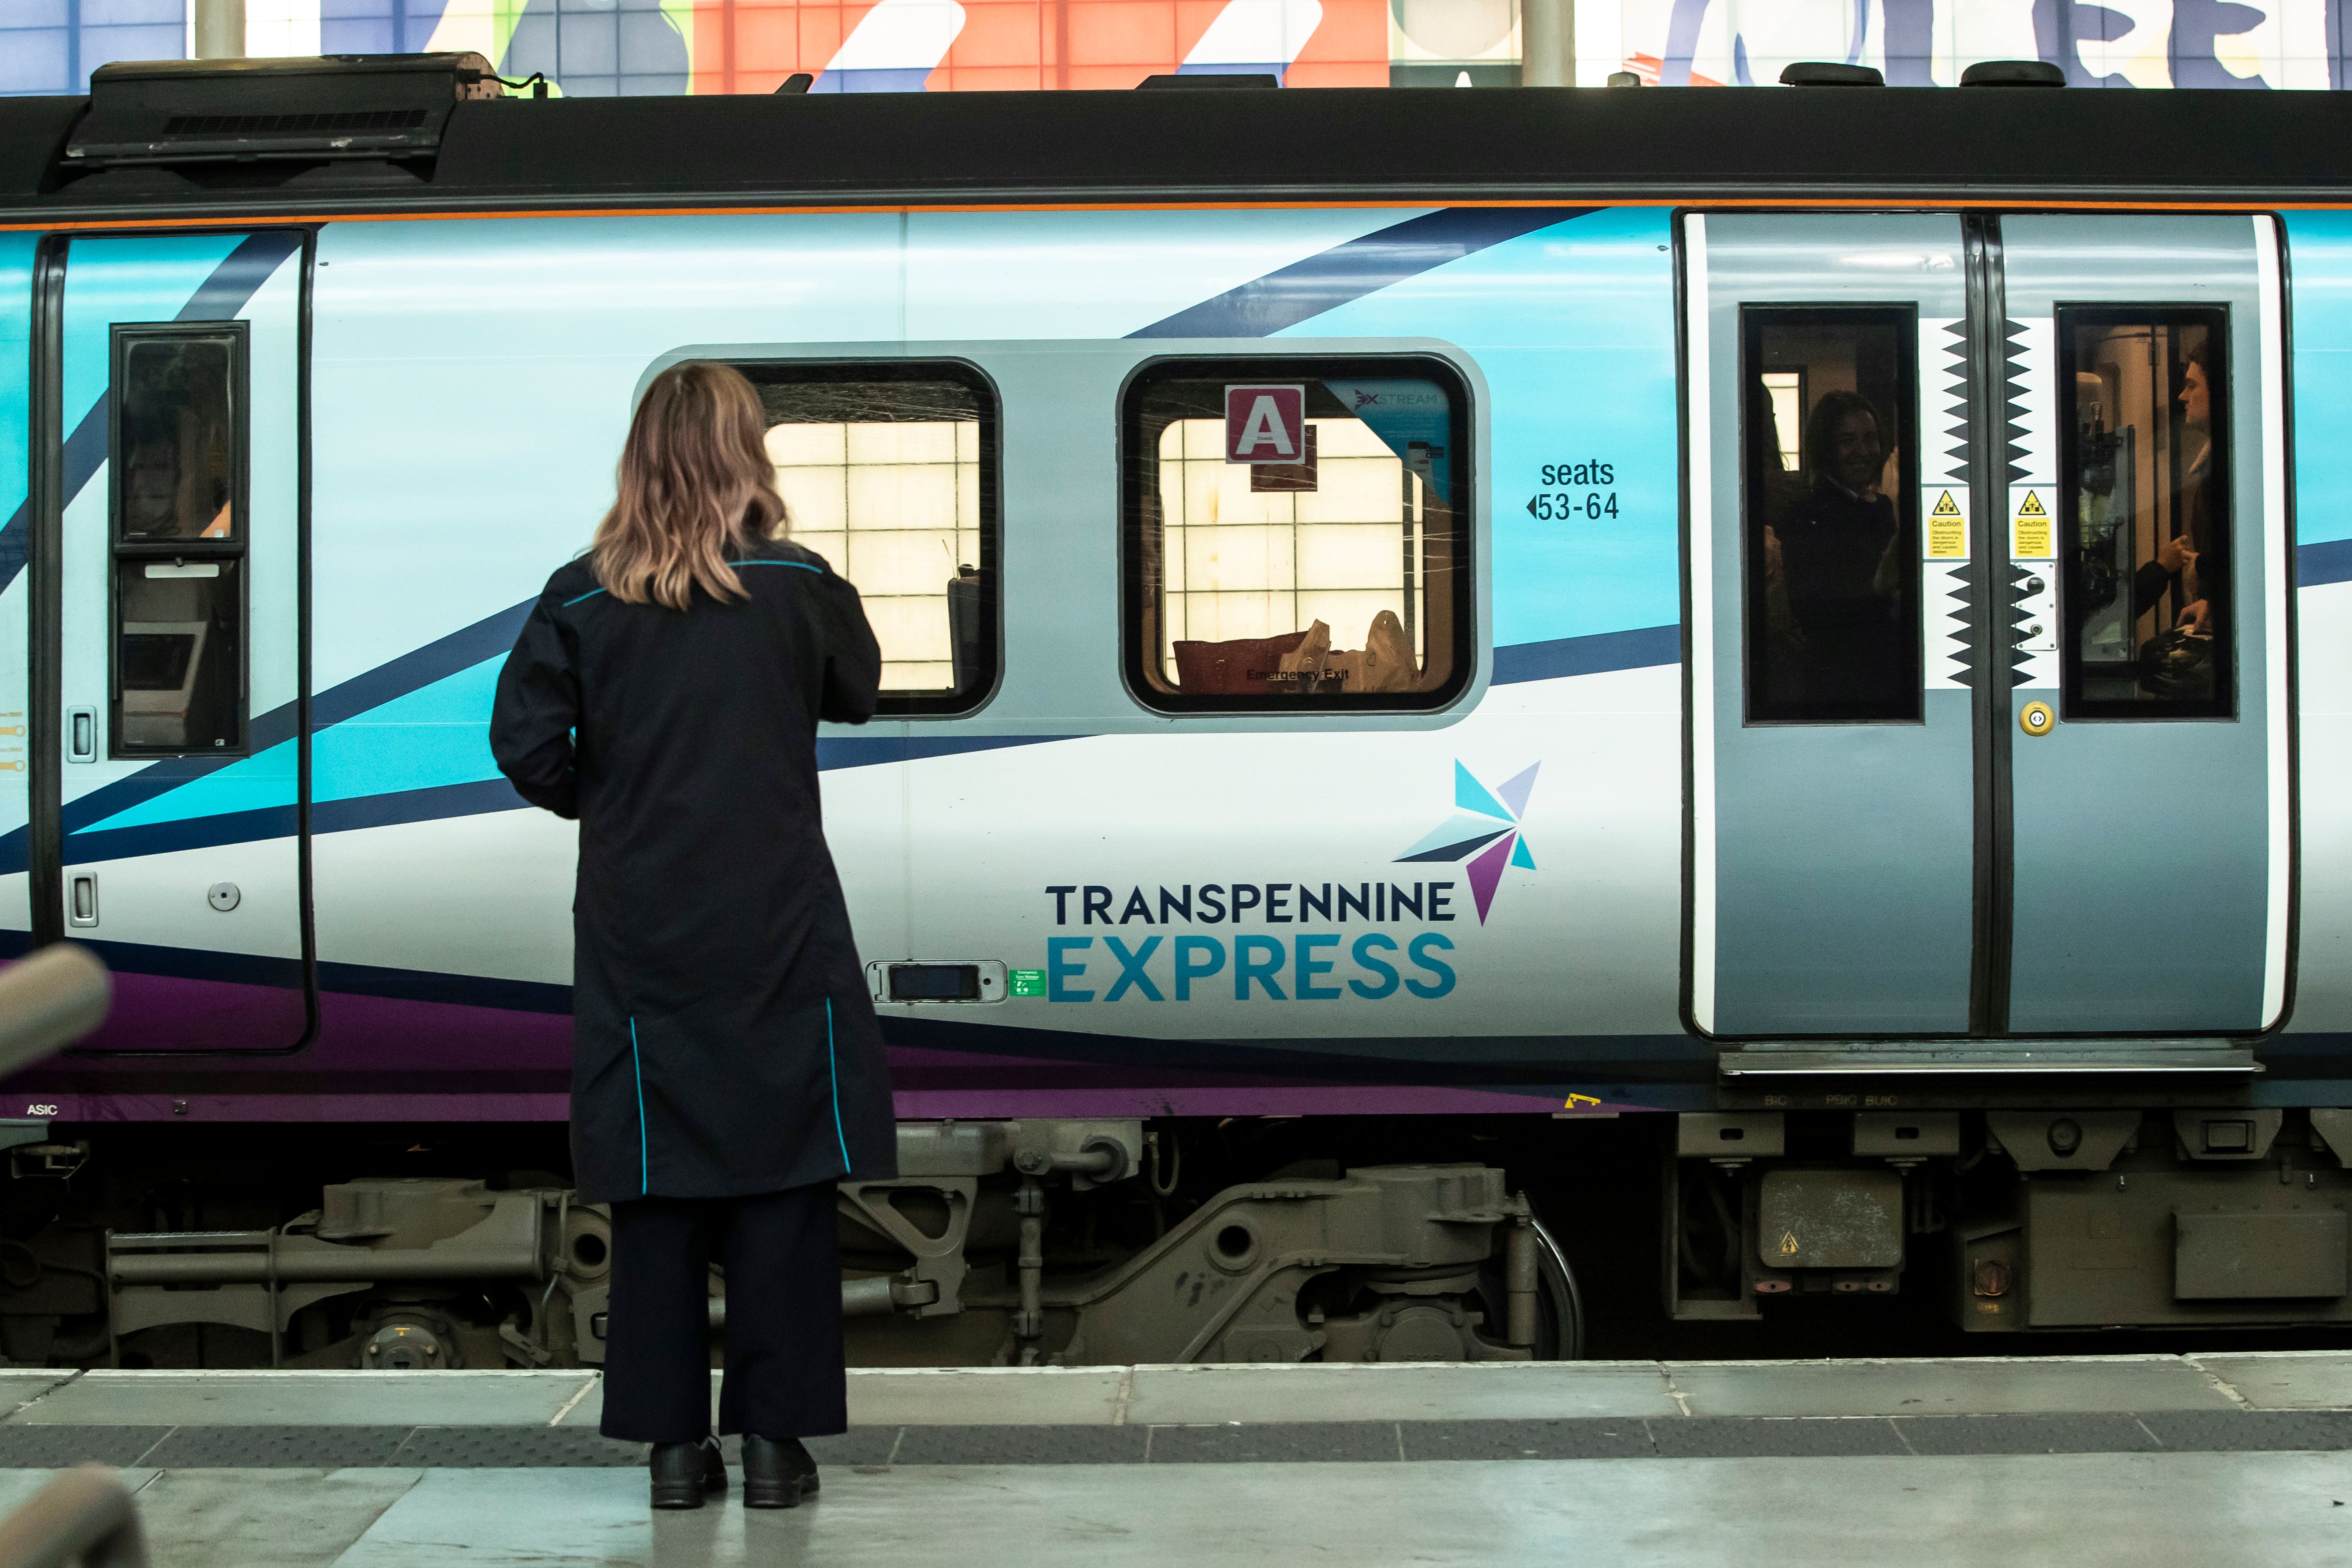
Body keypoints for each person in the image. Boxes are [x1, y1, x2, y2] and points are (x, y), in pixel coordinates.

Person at [489, 360, 897, 1511]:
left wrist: (607, 801)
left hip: (639, 931)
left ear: (639, 457)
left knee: (656, 1192)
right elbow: (857, 690)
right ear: (748, 456)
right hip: (776, 924)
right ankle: (776, 1450)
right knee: (781, 1184)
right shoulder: (797, 585)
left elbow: (523, 745)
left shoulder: (578, 597)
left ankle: (674, 1456)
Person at [1769, 389, 1912, 716]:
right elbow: (1815, 612)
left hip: (1888, 677)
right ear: (1826, 447)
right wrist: (1881, 584)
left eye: (1869, 438)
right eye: (1847, 440)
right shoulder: (1805, 516)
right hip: (1839, 687)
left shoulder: (1882, 507)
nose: (1861, 451)